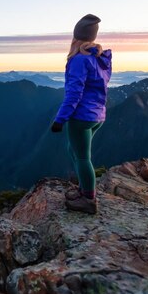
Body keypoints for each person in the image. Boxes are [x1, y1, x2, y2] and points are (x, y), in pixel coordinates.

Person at [51, 14, 112, 214]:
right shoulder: (100, 59)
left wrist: (60, 119)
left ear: (76, 36)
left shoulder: (79, 60)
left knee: (83, 158)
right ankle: (83, 189)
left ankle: (88, 199)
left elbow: (74, 93)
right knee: (74, 151)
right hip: (97, 117)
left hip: (81, 117)